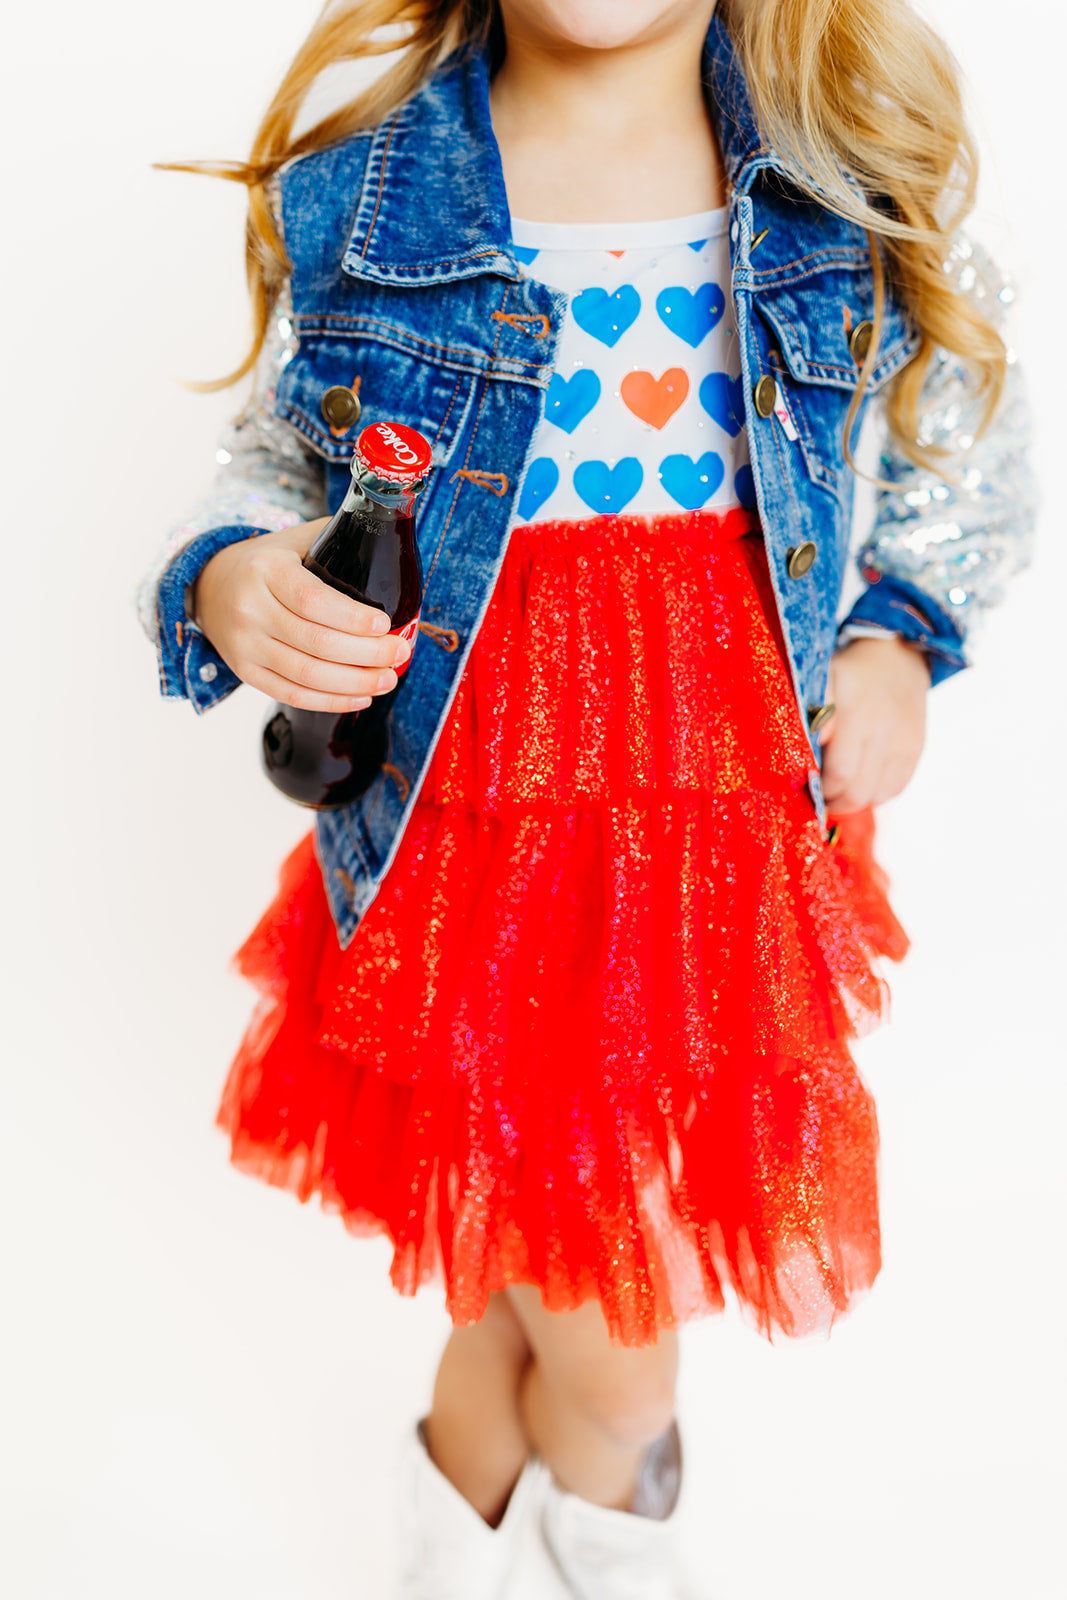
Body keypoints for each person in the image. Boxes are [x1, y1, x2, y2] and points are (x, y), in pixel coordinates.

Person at [136, 1, 1035, 1595]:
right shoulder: (377, 188)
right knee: (611, 1357)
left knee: (524, 1292)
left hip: (712, 832)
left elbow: (965, 460)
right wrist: (231, 581)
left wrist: (897, 645)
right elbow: (275, 467)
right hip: (472, 823)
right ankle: (578, 1547)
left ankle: (474, 1550)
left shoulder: (847, 182)